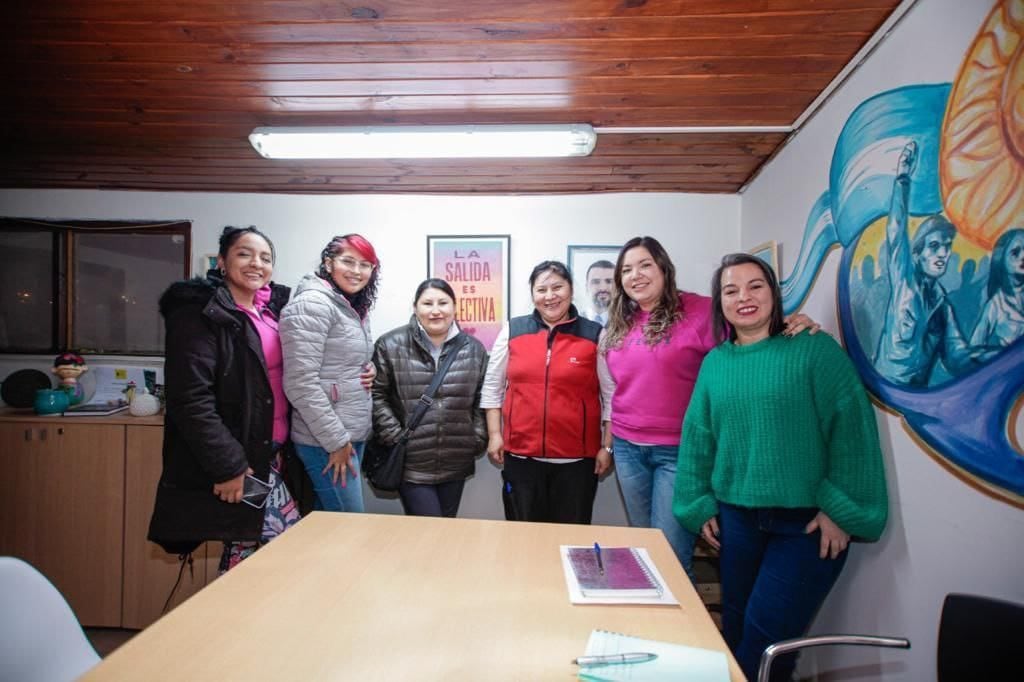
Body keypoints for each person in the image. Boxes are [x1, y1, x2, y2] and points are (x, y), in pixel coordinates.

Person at [673, 253, 888, 682]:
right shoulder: (716, 363)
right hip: (737, 520)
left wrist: (842, 508)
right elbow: (699, 438)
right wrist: (698, 504)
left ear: (774, 292)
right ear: (720, 303)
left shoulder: (813, 350)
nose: (744, 297)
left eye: (756, 286)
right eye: (731, 290)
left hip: (806, 527)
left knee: (767, 646)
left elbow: (851, 429)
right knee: (736, 630)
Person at [598, 236, 818, 579]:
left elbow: (754, 331)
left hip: (681, 453)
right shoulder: (618, 323)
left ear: (664, 269)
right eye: (626, 269)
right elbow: (613, 390)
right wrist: (610, 444)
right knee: (645, 547)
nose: (636, 275)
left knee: (669, 557)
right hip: (628, 449)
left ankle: (678, 630)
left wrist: (794, 322)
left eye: (645, 265)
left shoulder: (701, 311)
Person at [148, 226, 300, 572]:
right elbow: (190, 400)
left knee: (247, 553)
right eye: (244, 254)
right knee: (281, 551)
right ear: (221, 261)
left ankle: (232, 623)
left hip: (272, 454)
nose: (256, 264)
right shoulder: (199, 314)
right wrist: (228, 466)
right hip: (240, 459)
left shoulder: (271, 314)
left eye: (265, 257)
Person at [481, 260, 613, 524]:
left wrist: (607, 447)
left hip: (576, 462)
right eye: (542, 289)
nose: (550, 296)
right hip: (521, 457)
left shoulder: (594, 334)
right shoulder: (513, 330)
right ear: (533, 294)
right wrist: (495, 435)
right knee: (523, 537)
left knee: (571, 539)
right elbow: (492, 388)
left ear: (571, 290)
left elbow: (611, 396)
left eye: (557, 287)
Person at [371, 278, 489, 517]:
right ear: (415, 308)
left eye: (443, 303)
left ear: (455, 307)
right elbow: (376, 394)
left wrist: (475, 439)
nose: (436, 310)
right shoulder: (390, 344)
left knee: (444, 530)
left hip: (456, 458)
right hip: (411, 462)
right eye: (427, 303)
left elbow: (481, 400)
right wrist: (395, 436)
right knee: (428, 529)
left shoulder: (474, 349)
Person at [280, 234, 379, 513]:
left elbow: (339, 359)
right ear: (328, 262)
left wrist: (368, 368)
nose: (357, 271)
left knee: (329, 529)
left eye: (365, 265)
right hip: (325, 439)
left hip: (348, 432)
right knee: (348, 528)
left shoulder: (351, 306)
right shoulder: (313, 304)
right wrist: (335, 440)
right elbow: (300, 383)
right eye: (348, 261)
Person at [874, 141, 979, 386]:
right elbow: (896, 232)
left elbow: (957, 357)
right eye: (934, 246)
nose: (942, 253)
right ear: (918, 254)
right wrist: (902, 179)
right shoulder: (904, 281)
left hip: (914, 397)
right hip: (886, 386)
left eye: (947, 245)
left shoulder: (943, 307)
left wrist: (999, 358)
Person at [971, 228, 1024, 349]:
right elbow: (975, 346)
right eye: (1015, 252)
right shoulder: (996, 304)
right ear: (1001, 259)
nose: (1023, 256)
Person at [585, 259, 615, 325]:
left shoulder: (628, 322)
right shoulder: (574, 320)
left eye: (609, 282)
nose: (603, 288)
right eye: (596, 282)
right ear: (586, 287)